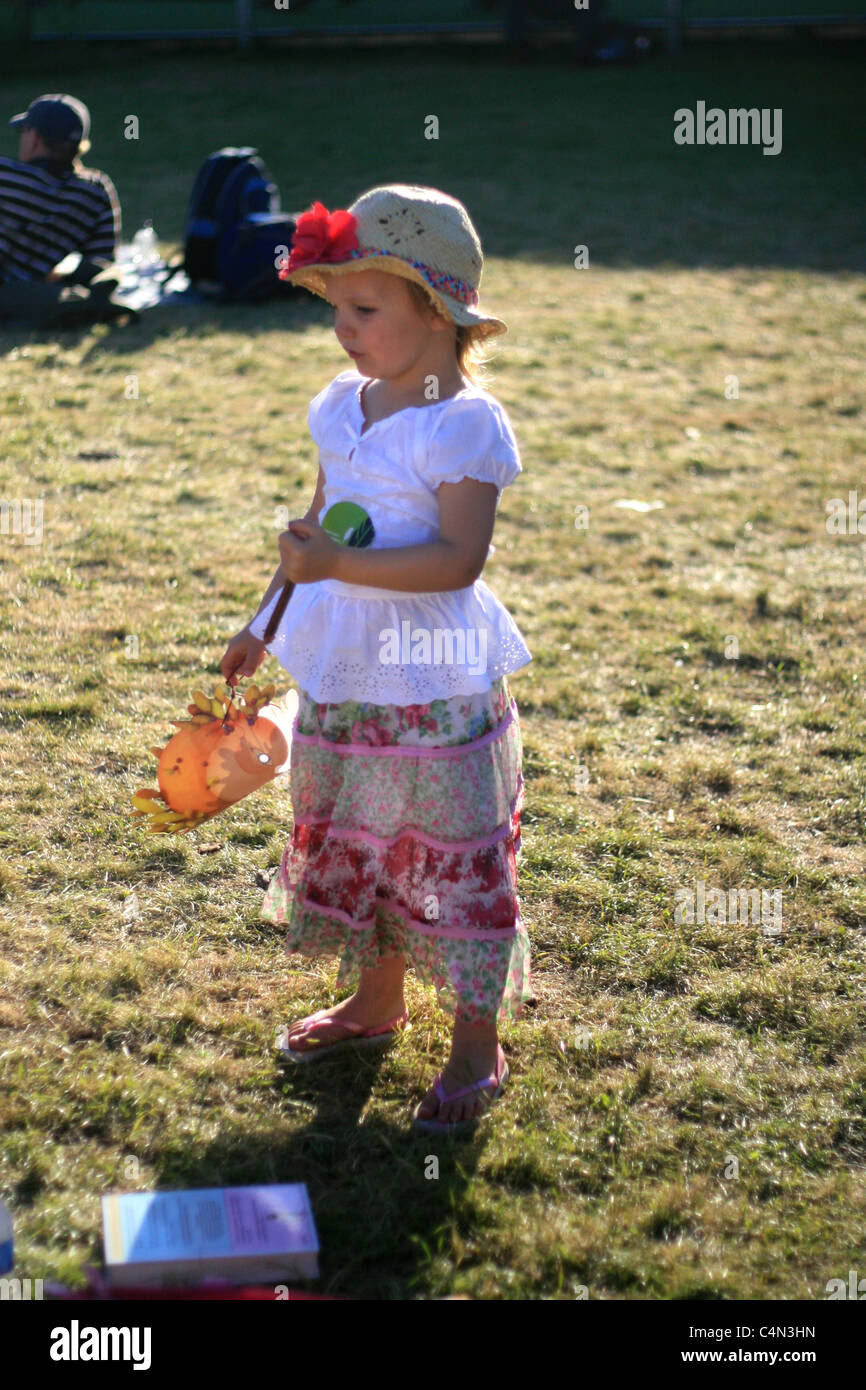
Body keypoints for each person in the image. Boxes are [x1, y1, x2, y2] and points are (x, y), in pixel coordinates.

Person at [220, 184, 533, 1135]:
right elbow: (312, 531)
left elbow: (457, 558)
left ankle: (477, 1041)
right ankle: (376, 998)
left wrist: (335, 562)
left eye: (367, 310)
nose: (344, 331)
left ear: (435, 313)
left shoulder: (464, 425)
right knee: (360, 840)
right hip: (345, 674)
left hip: (432, 682)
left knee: (444, 851)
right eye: (339, 310)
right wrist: (266, 621)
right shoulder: (340, 408)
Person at [0, 93, 122, 325]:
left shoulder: (5, 176)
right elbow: (100, 261)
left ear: (34, 138)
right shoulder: (96, 189)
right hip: (33, 290)